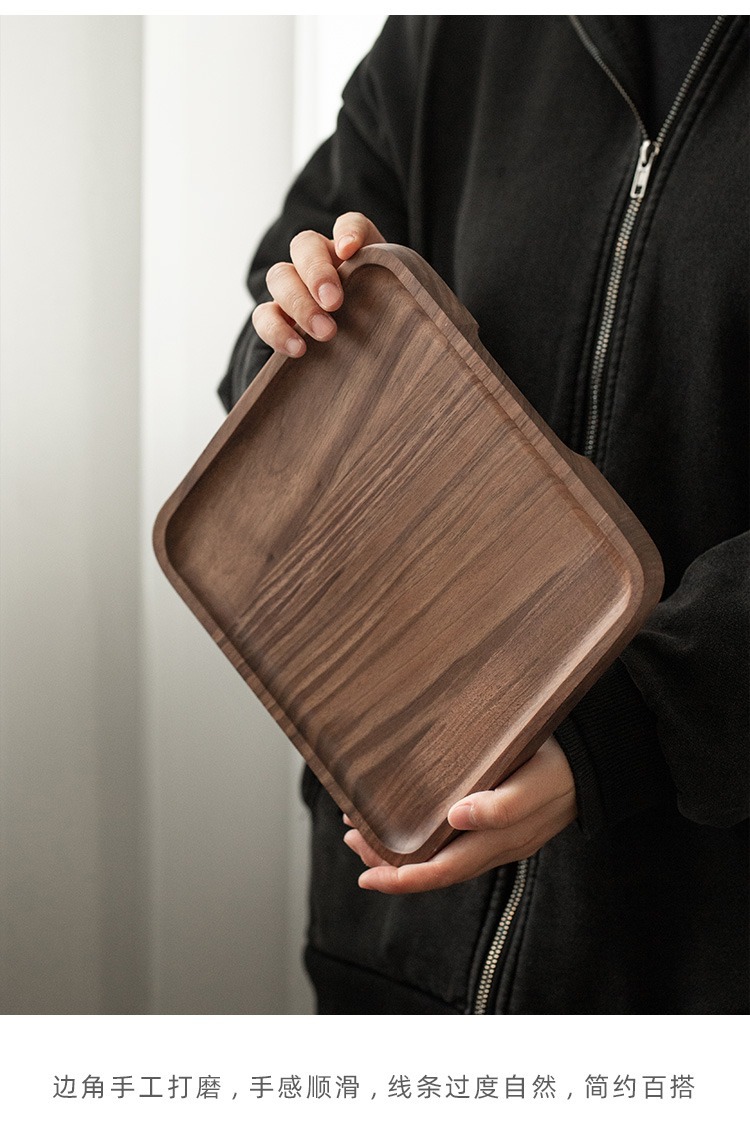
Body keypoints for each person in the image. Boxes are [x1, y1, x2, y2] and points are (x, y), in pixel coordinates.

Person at [218, 16, 748, 1013]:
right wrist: (305, 337)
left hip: (688, 959)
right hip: (402, 946)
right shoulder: (445, 36)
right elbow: (268, 340)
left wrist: (630, 725)